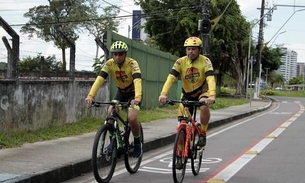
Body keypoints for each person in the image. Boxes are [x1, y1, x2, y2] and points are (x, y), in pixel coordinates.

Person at [85, 41, 143, 158]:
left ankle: (137, 142)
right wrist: (90, 96)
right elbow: (99, 80)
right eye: (115, 54)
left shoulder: (132, 64)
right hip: (121, 93)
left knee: (132, 118)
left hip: (133, 94)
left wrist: (137, 98)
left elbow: (137, 81)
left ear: (125, 55)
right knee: (110, 111)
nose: (117, 57)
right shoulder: (109, 64)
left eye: (120, 54)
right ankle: (113, 141)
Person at [158, 36, 216, 148]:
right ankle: (179, 156)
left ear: (199, 50)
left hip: (202, 93)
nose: (191, 51)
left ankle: (203, 133)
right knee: (181, 126)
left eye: (194, 49)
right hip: (186, 94)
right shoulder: (180, 62)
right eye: (188, 49)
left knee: (204, 106)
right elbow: (171, 78)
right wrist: (163, 93)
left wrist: (212, 95)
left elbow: (210, 78)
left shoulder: (205, 61)